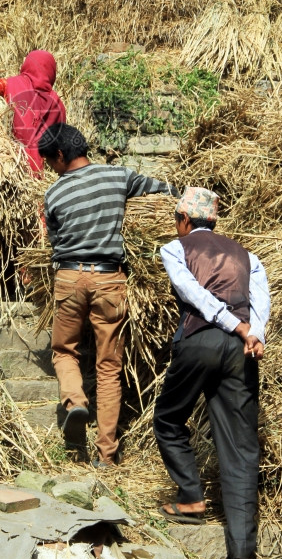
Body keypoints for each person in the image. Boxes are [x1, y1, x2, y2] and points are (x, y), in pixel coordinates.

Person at [38, 122, 179, 467]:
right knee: (108, 367)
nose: (50, 169)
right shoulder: (118, 177)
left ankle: (75, 402)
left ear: (60, 155)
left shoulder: (54, 194)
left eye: (50, 162)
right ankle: (107, 455)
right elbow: (164, 191)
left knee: (64, 352)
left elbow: (55, 242)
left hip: (70, 277)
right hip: (110, 280)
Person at [153, 186, 270, 559]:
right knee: (241, 444)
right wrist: (254, 333)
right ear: (214, 221)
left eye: (177, 219)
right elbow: (260, 300)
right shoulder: (247, 255)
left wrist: (234, 324)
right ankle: (242, 550)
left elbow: (192, 293)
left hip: (200, 341)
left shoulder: (175, 248)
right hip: (240, 351)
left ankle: (191, 497)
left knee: (169, 419)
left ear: (184, 220)